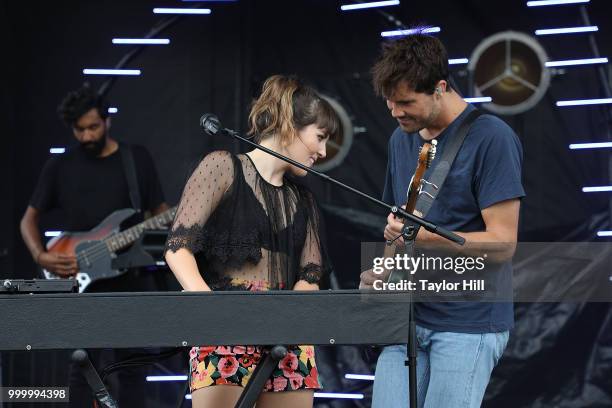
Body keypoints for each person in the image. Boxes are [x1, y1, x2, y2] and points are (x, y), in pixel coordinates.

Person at [361, 32, 525, 407]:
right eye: (389, 103)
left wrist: (420, 240)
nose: (396, 112)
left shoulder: (492, 138)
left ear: (439, 87)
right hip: (405, 319)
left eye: (405, 102)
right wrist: (384, 273)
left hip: (468, 321)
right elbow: (397, 226)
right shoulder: (399, 138)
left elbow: (503, 243)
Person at [164, 75, 341, 408]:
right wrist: (211, 309)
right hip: (224, 331)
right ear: (290, 125)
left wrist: (287, 319)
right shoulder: (221, 167)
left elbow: (310, 277)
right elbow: (178, 248)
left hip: (288, 337)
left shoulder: (305, 200)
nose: (322, 151)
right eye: (319, 137)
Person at [19, 84, 169, 407]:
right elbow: (28, 220)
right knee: (81, 367)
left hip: (131, 279)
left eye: (93, 127)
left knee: (132, 368)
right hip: (80, 282)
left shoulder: (136, 159)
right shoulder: (60, 166)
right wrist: (41, 256)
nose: (87, 136)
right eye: (79, 130)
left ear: (107, 121)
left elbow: (162, 214)